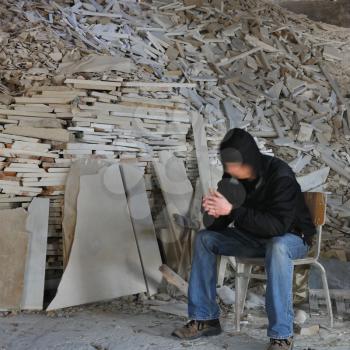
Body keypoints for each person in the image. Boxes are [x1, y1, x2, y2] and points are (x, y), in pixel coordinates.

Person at [172, 128, 316, 350]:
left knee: (277, 246)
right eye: (227, 167)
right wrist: (212, 211)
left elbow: (277, 227)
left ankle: (281, 335)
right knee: (205, 238)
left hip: (292, 238)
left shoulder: (280, 175)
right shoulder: (232, 174)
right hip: (253, 238)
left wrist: (232, 209)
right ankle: (206, 318)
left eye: (235, 167)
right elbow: (217, 225)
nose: (231, 172)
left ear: (250, 160)